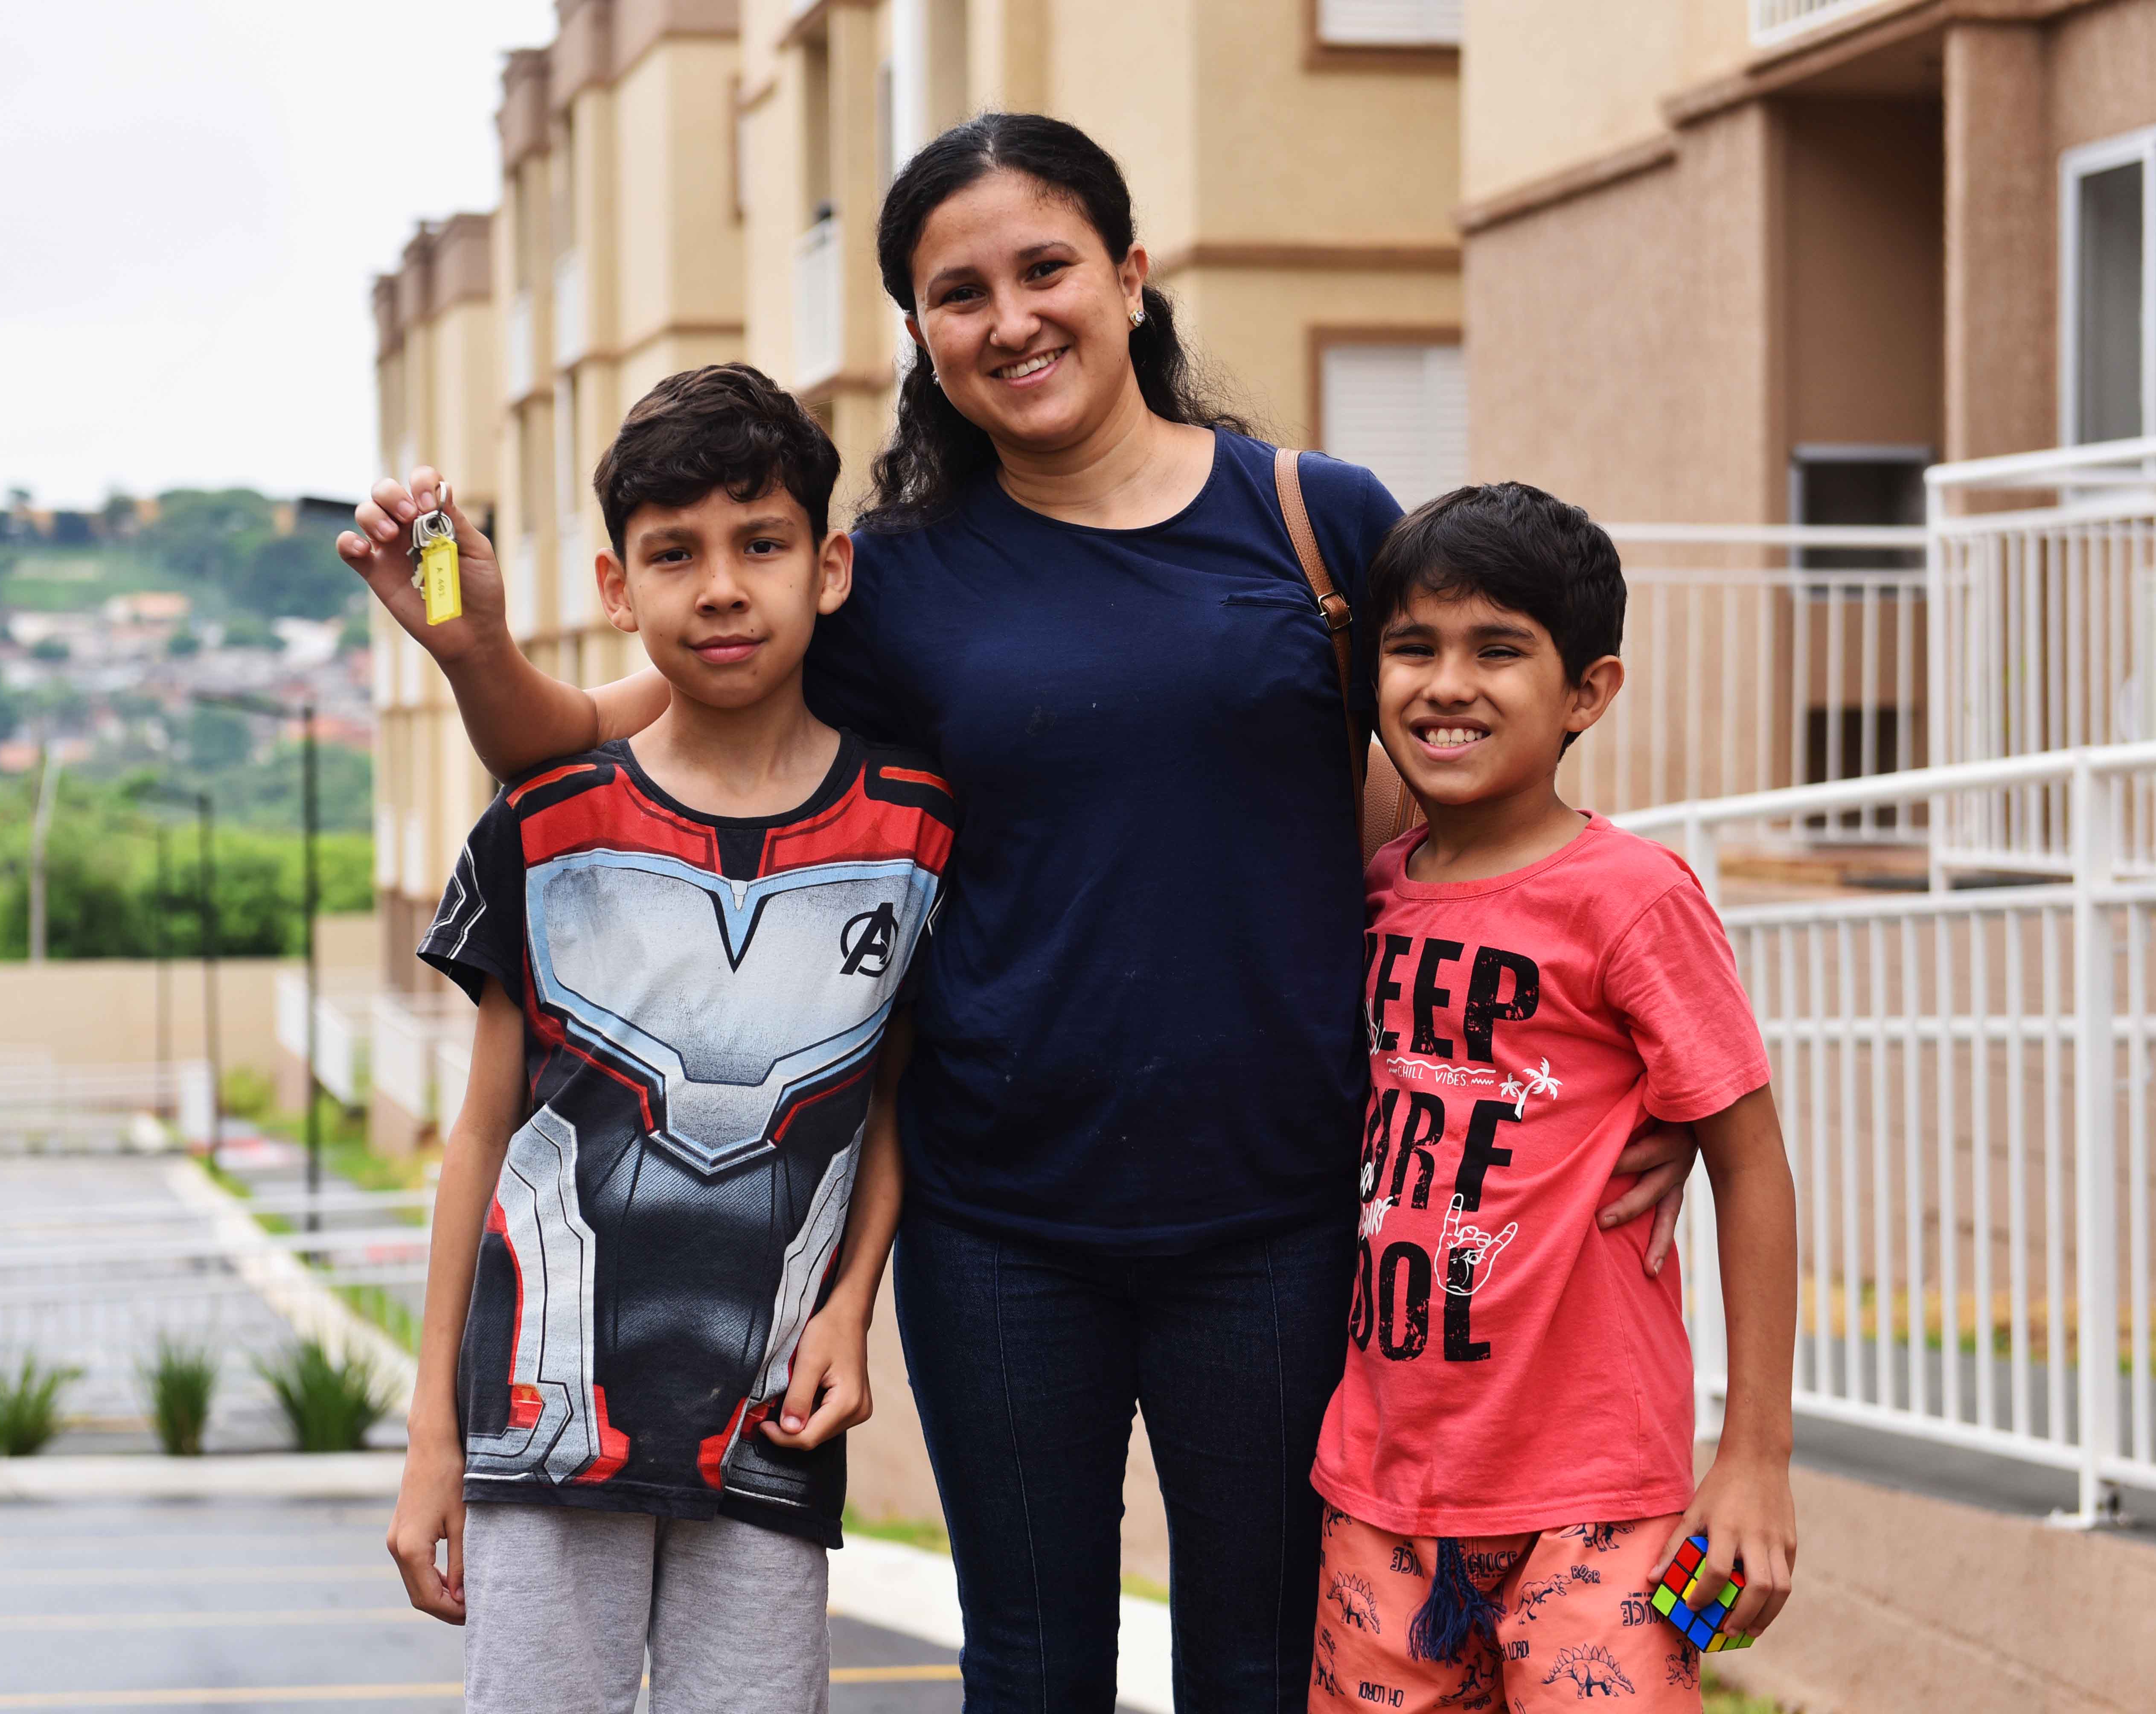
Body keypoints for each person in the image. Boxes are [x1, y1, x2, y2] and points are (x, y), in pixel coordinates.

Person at [344, 114, 1694, 1714]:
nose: (1011, 319)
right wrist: (470, 643)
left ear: (1130, 275)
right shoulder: (889, 577)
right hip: (999, 1231)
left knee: (1263, 1672)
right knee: (1034, 1674)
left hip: (1276, 1213)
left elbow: (1469, 827)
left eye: (1046, 268)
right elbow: (579, 743)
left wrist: (1613, 1091)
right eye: (959, 294)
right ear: (921, 335)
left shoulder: (1316, 520)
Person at [373, 365, 957, 1714]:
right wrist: (431, 1437)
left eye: (762, 545)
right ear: (617, 590)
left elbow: (891, 1106)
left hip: (767, 1433)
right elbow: (481, 1136)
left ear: (830, 568)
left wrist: (852, 1308)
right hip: (540, 1429)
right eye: (675, 554)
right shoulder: (545, 825)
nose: (722, 588)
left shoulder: (916, 830)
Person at [1306, 483, 1799, 1711]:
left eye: (1498, 651)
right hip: (1382, 1489)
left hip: (1606, 1498)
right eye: (1413, 648)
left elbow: (1751, 1161)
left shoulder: (1636, 896)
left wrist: (1754, 1459)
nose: (1446, 685)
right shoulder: (1374, 891)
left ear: (1589, 691)